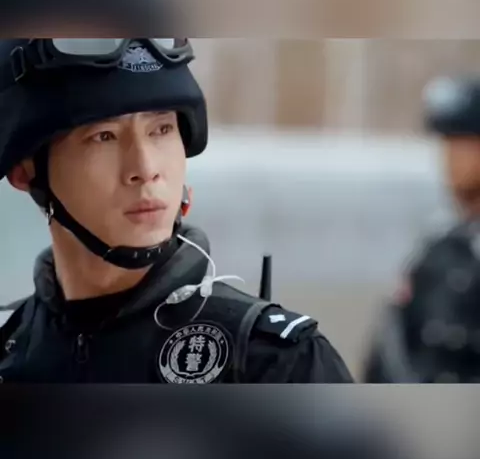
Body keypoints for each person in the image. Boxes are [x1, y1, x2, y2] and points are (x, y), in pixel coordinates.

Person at [0, 38, 353, 384]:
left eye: (161, 129)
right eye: (104, 136)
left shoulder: (276, 365)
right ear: (25, 171)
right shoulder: (9, 351)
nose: (146, 168)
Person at [363, 76, 480, 382]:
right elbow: (391, 354)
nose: (449, 160)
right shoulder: (442, 253)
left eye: (463, 144)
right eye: (448, 146)